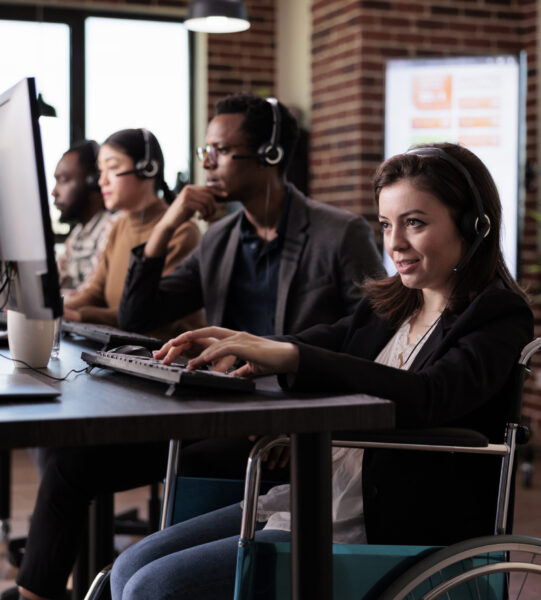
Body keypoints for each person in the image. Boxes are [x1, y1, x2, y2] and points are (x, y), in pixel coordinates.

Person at [110, 142, 533, 600]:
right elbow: (326, 340)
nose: (394, 243)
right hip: (315, 498)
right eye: (387, 224)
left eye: (415, 223)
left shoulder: (498, 314)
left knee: (152, 587)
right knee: (128, 565)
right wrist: (249, 346)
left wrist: (293, 358)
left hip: (374, 522)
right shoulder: (393, 303)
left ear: (475, 226)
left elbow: (429, 395)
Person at [12, 96, 384, 600]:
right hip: (221, 410)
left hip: (294, 423)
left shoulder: (340, 234)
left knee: (187, 468)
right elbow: (139, 316)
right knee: (70, 465)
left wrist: (310, 416)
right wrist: (168, 223)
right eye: (205, 149)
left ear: (271, 155)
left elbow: (375, 342)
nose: (206, 161)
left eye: (221, 150)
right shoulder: (221, 238)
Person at [62, 128, 202, 331]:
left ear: (147, 169)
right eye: (101, 171)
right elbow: (95, 291)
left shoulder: (182, 231)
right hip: (123, 348)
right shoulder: (119, 225)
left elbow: (146, 312)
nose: (102, 181)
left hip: (167, 354)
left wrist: (79, 316)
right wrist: (56, 310)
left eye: (112, 168)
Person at [53, 140, 119, 296]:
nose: (54, 192)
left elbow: (92, 295)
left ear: (93, 182)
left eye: (63, 180)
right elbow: (51, 285)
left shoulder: (112, 228)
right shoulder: (78, 234)